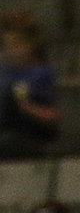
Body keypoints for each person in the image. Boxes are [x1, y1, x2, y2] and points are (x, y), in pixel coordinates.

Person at [0, 10, 59, 159]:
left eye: (17, 45)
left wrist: (20, 103)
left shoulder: (41, 75)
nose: (10, 51)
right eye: (7, 45)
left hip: (29, 134)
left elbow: (51, 116)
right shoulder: (4, 74)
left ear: (33, 46)